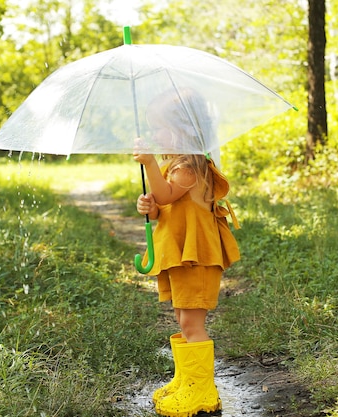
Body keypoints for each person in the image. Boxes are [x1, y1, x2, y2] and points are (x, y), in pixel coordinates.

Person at [133, 88, 240, 417]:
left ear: (185, 130)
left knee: (193, 324)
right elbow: (163, 206)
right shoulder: (173, 166)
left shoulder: (190, 167)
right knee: (183, 319)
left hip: (197, 258)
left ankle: (203, 391)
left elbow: (166, 195)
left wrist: (150, 165)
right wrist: (148, 208)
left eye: (159, 127)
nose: (154, 135)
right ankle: (186, 380)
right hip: (182, 256)